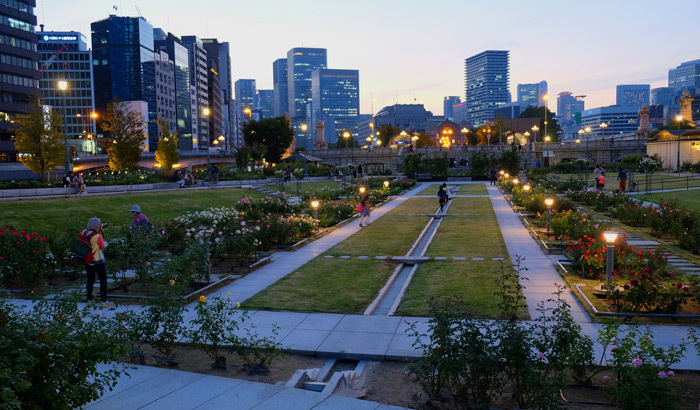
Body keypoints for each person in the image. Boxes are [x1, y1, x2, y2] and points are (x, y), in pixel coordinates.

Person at [83, 217, 111, 307]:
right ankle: (103, 301)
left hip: (87, 260)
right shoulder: (98, 236)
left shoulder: (84, 232)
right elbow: (102, 247)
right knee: (103, 280)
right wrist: (100, 233)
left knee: (90, 280)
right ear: (98, 226)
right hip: (97, 261)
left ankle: (89, 299)